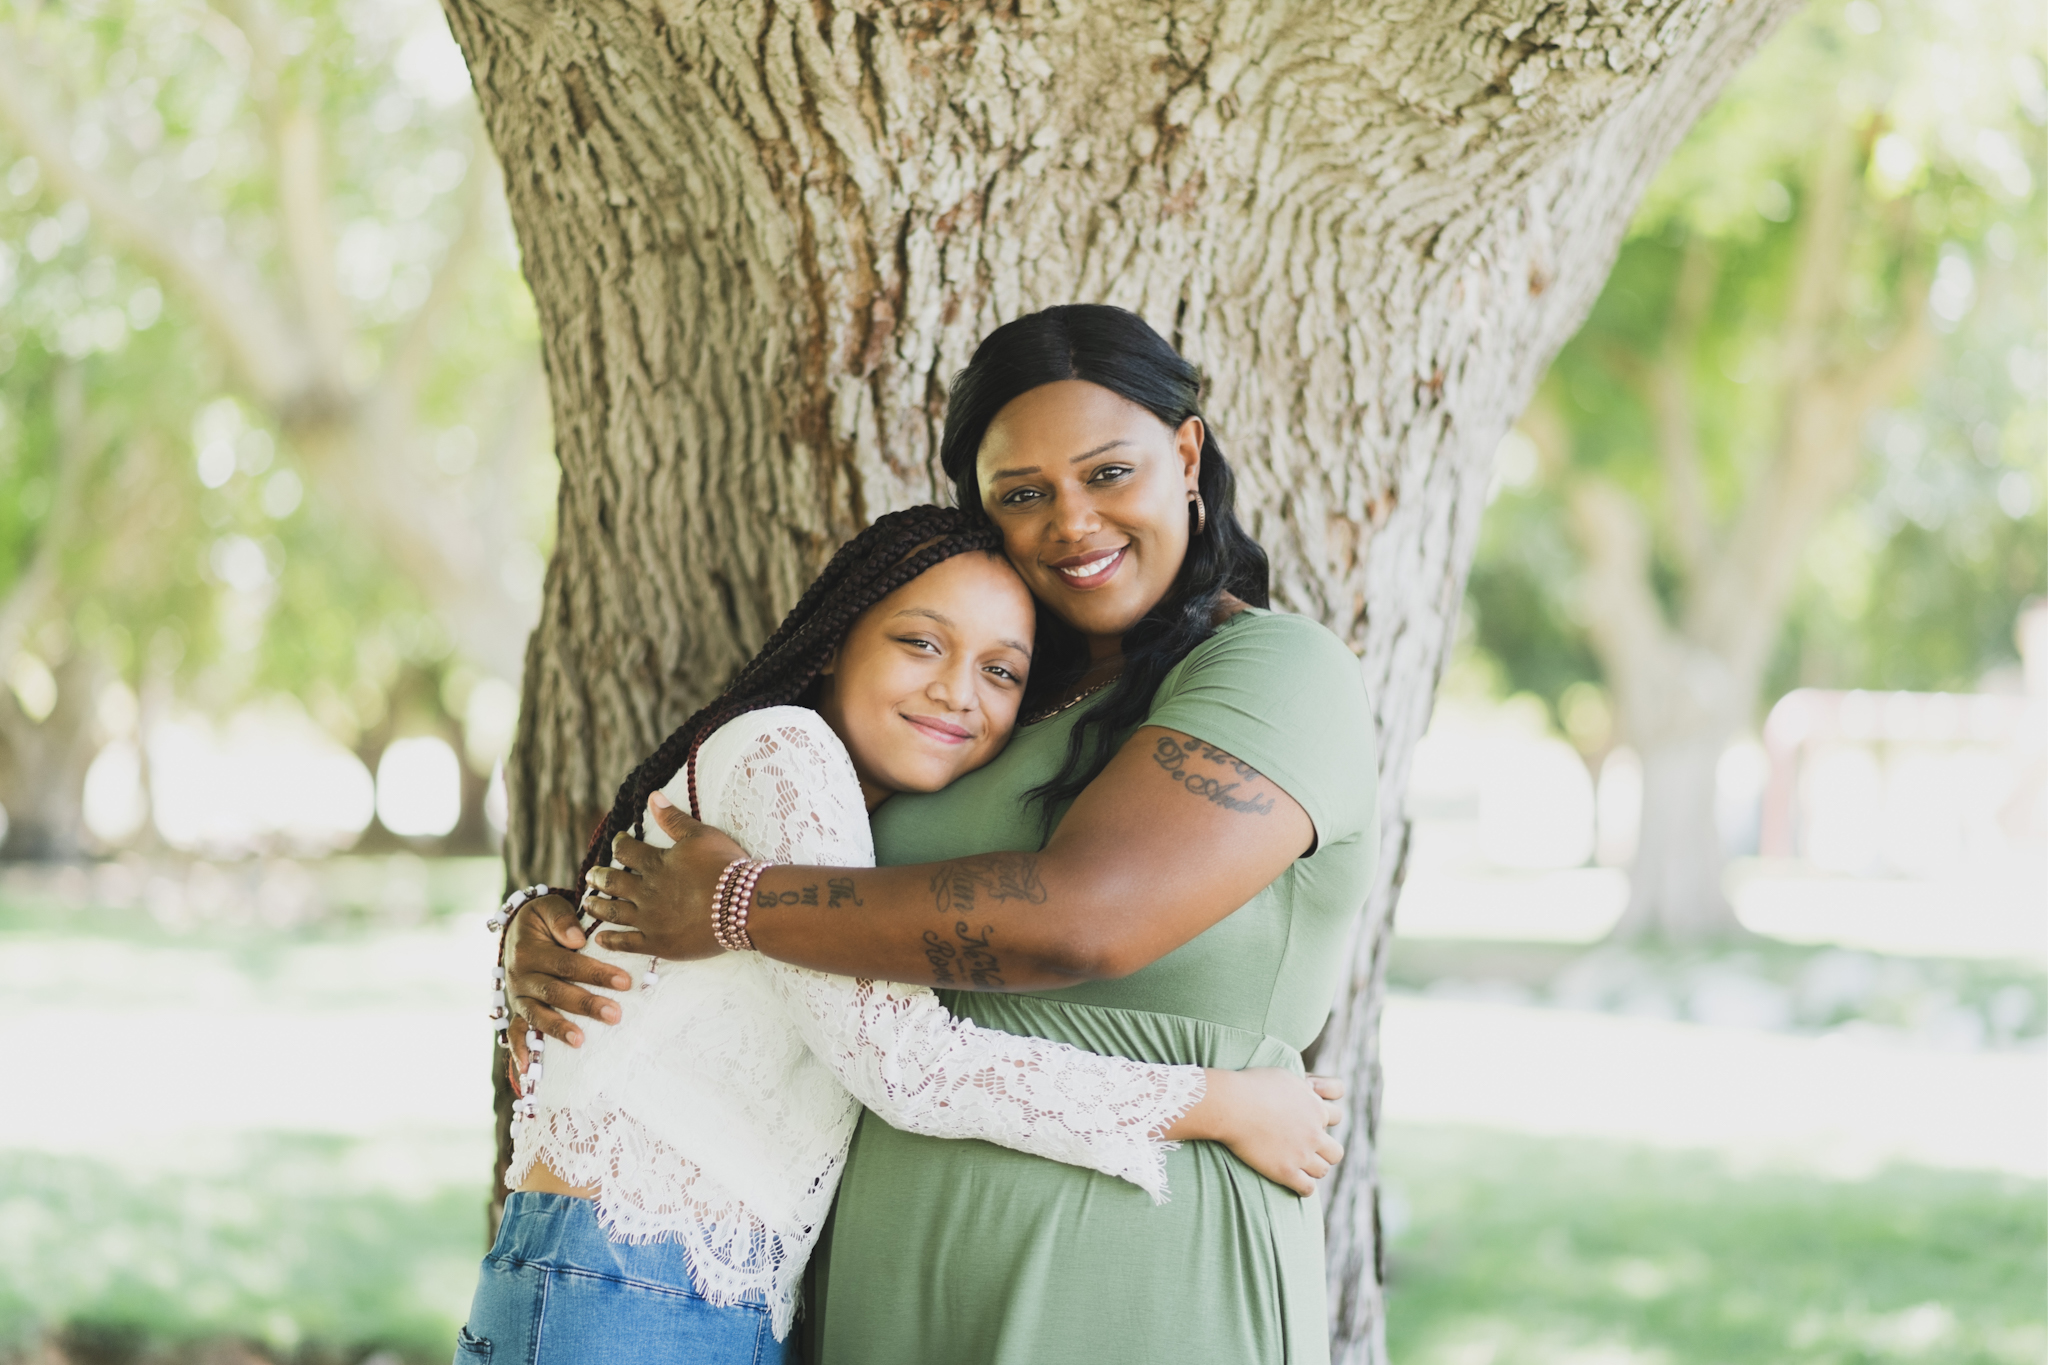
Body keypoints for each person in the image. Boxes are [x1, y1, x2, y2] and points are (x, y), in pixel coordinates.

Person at [508, 304, 1381, 1363]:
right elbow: (737, 856)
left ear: (1186, 456)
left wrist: (739, 905)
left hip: (1137, 1271)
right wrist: (550, 930)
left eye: (1109, 473)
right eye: (1023, 494)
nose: (1072, 523)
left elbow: (1084, 919)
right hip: (864, 1289)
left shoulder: (1276, 672)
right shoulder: (981, 708)